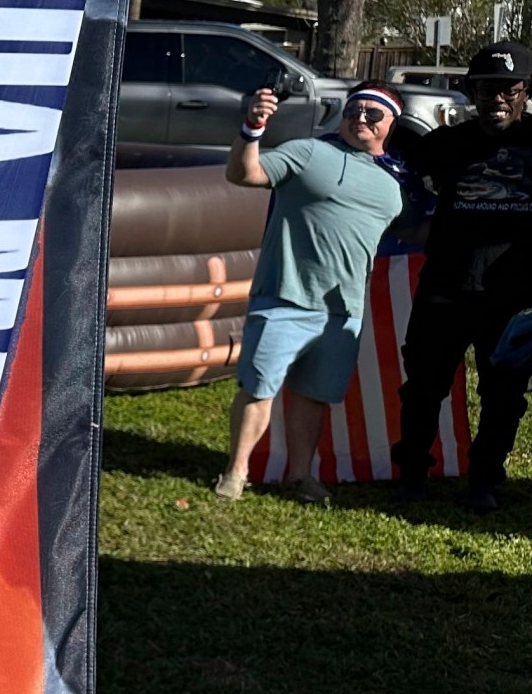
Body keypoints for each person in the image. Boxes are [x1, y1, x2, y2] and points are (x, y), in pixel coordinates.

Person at [213, 84, 407, 503]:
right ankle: (236, 472)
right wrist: (253, 127)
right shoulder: (307, 152)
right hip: (284, 295)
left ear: (392, 123)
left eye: (374, 114)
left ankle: (299, 476)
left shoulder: (393, 183)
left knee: (314, 396)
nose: (361, 119)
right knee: (259, 388)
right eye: (355, 109)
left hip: (343, 312)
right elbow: (243, 174)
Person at [389, 40, 532, 509]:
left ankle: (484, 479)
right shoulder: (442, 145)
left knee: (504, 393)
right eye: (486, 90)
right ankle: (412, 472)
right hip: (445, 287)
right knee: (424, 387)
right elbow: (396, 189)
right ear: (471, 93)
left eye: (508, 90)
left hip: (512, 296)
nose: (497, 100)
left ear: (525, 92)